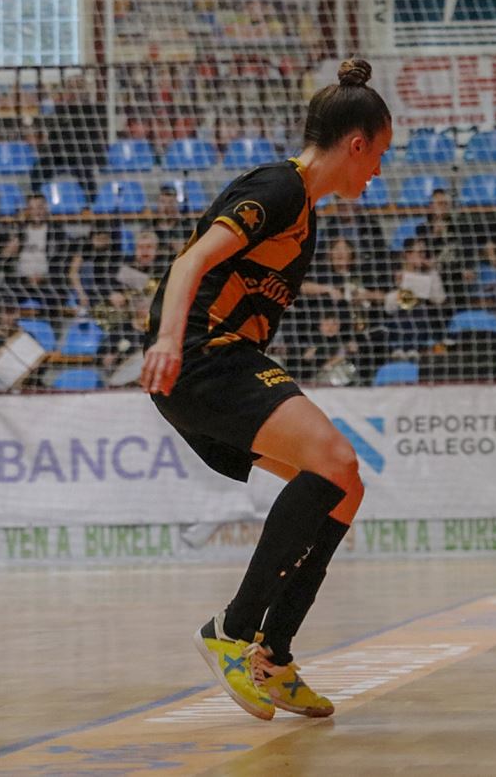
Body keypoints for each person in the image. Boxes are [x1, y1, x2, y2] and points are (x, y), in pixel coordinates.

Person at [140, 58, 391, 721]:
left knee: (345, 483)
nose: (378, 172)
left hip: (220, 361)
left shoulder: (306, 211)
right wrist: (167, 340)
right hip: (201, 357)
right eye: (379, 156)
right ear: (357, 142)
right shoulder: (279, 186)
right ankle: (231, 629)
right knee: (334, 462)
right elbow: (190, 259)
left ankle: (273, 656)